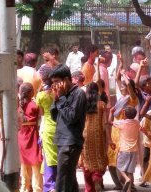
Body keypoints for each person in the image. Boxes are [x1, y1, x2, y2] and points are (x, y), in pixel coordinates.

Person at [50, 64, 87, 192]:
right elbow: (55, 117)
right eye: (53, 82)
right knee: (70, 181)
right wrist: (56, 99)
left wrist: (60, 99)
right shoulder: (62, 95)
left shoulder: (79, 94)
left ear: (65, 80)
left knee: (63, 182)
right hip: (61, 141)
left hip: (70, 143)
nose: (54, 85)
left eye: (56, 82)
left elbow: (72, 117)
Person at [80, 82, 109, 192]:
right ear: (97, 92)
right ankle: (97, 177)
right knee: (99, 157)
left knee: (87, 160)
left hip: (85, 134)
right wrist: (108, 139)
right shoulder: (101, 104)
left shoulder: (83, 104)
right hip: (98, 134)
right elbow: (104, 123)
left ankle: (89, 188)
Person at [36, 66, 58, 192]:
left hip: (47, 128)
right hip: (59, 127)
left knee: (48, 157)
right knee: (57, 156)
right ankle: (57, 183)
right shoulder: (57, 93)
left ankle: (50, 186)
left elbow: (41, 114)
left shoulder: (40, 96)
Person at [18, 82, 43, 192]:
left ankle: (25, 188)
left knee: (24, 167)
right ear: (30, 93)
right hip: (32, 137)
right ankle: (37, 188)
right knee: (36, 166)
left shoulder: (19, 106)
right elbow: (41, 117)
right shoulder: (35, 105)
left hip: (22, 137)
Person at [112, 106, 140, 192]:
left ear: (124, 114)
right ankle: (129, 190)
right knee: (130, 171)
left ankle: (126, 179)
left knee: (120, 167)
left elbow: (109, 122)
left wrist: (110, 113)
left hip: (124, 149)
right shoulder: (137, 122)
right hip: (134, 150)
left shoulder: (122, 123)